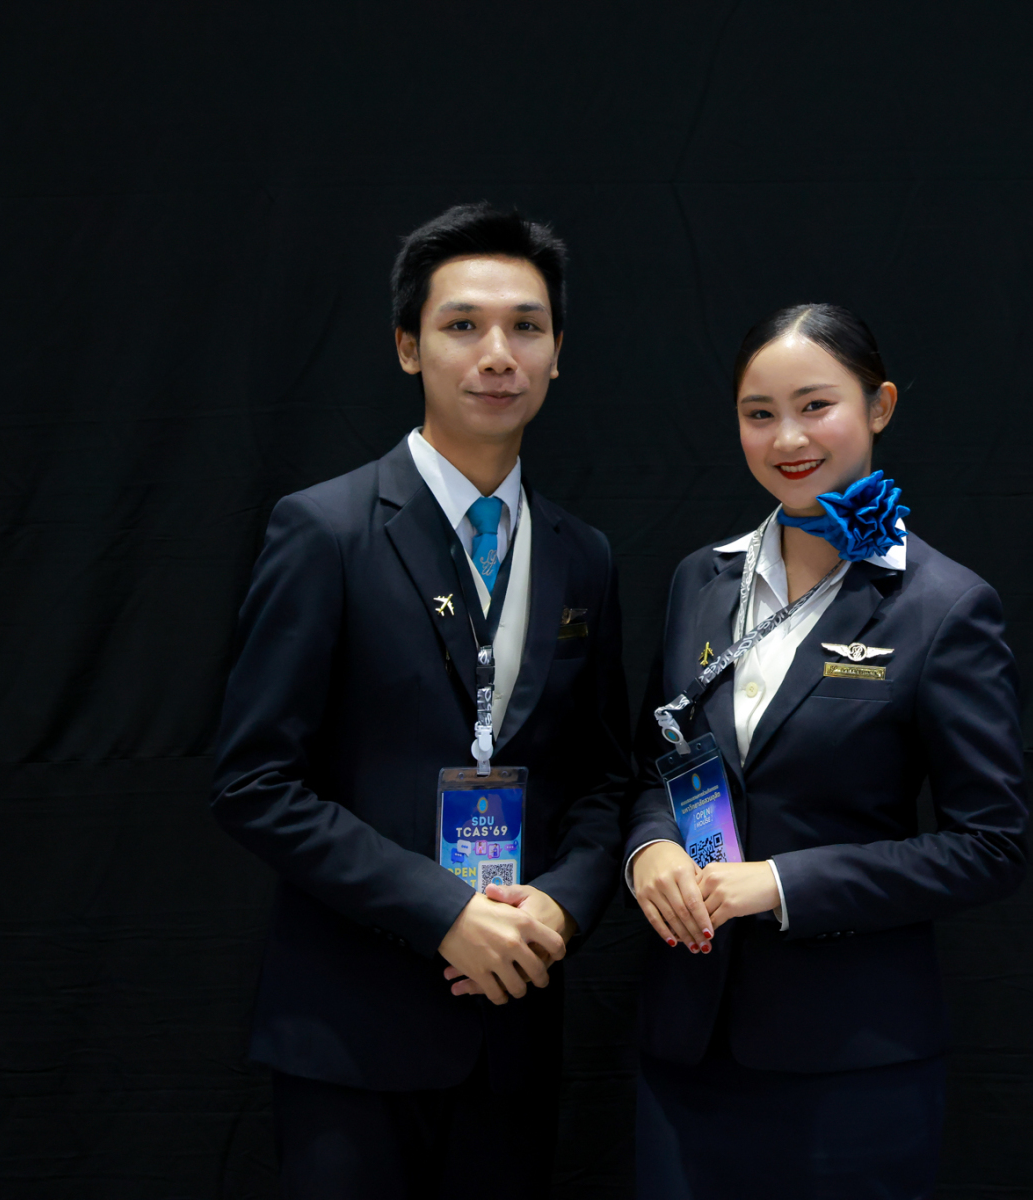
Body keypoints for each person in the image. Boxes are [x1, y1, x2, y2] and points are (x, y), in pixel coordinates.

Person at [211, 202, 632, 1199]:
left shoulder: (583, 555)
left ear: (558, 354)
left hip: (514, 1019)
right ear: (408, 347)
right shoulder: (325, 530)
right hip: (352, 1031)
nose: (498, 355)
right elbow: (254, 782)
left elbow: (606, 780)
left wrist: (560, 909)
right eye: (462, 325)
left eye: (526, 327)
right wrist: (441, 911)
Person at [626, 303, 1029, 1198]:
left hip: (849, 1064)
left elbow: (990, 847)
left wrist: (779, 885)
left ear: (879, 406)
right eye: (759, 413)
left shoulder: (944, 607)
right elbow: (661, 760)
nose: (787, 439)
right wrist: (650, 847)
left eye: (816, 406)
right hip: (687, 1046)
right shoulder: (702, 579)